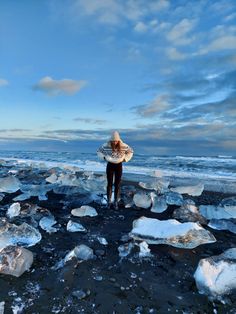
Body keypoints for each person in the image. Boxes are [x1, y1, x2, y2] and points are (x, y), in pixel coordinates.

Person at [97, 131, 133, 209]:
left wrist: (125, 159)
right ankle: (109, 202)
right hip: (110, 165)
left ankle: (116, 202)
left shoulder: (124, 146)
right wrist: (103, 157)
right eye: (113, 141)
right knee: (109, 184)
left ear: (119, 140)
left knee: (117, 184)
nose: (115, 142)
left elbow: (131, 152)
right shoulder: (106, 145)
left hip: (119, 166)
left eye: (116, 141)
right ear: (111, 140)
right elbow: (99, 151)